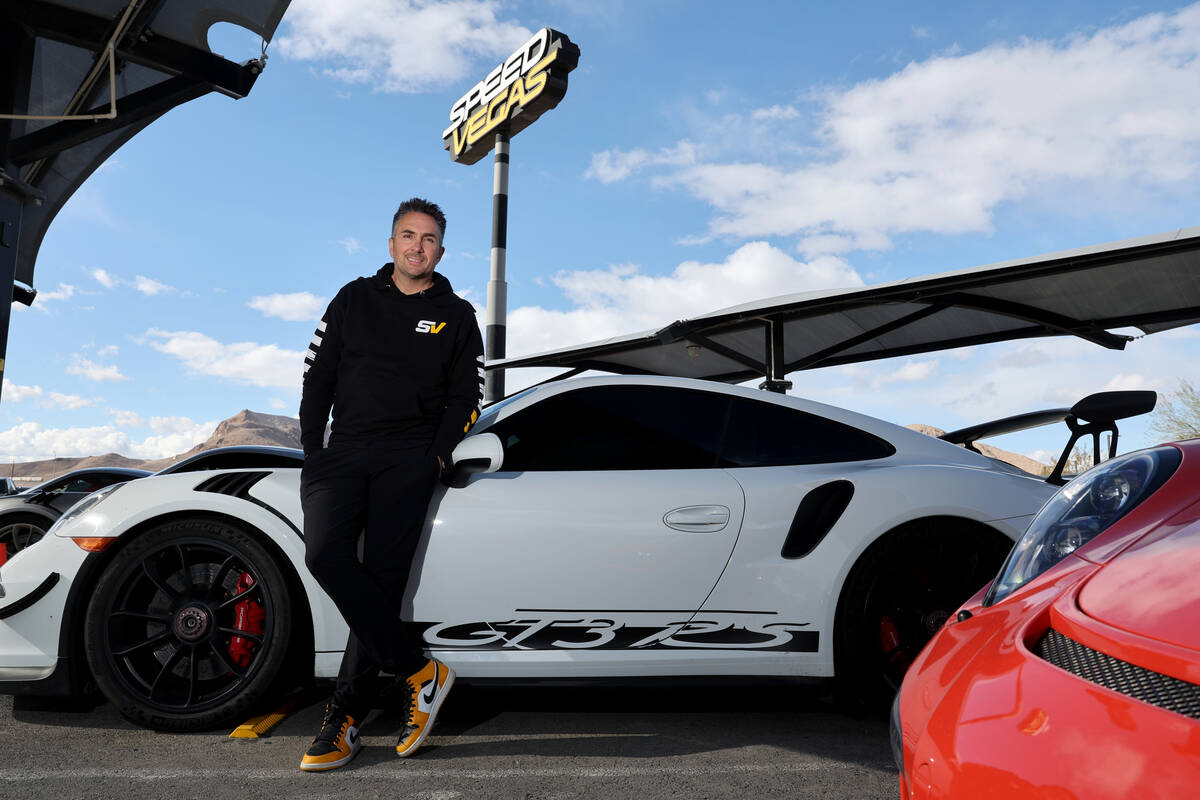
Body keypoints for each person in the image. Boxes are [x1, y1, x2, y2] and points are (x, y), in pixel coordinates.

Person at [297, 198, 484, 771]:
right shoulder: (353, 298)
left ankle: (344, 719)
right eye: (408, 235)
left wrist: (434, 459)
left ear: (441, 251)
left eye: (428, 239)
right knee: (325, 555)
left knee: (380, 581)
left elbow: (466, 397)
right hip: (344, 451)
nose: (417, 246)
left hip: (409, 459)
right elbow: (316, 377)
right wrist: (313, 453)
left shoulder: (457, 314)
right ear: (390, 244)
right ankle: (418, 670)